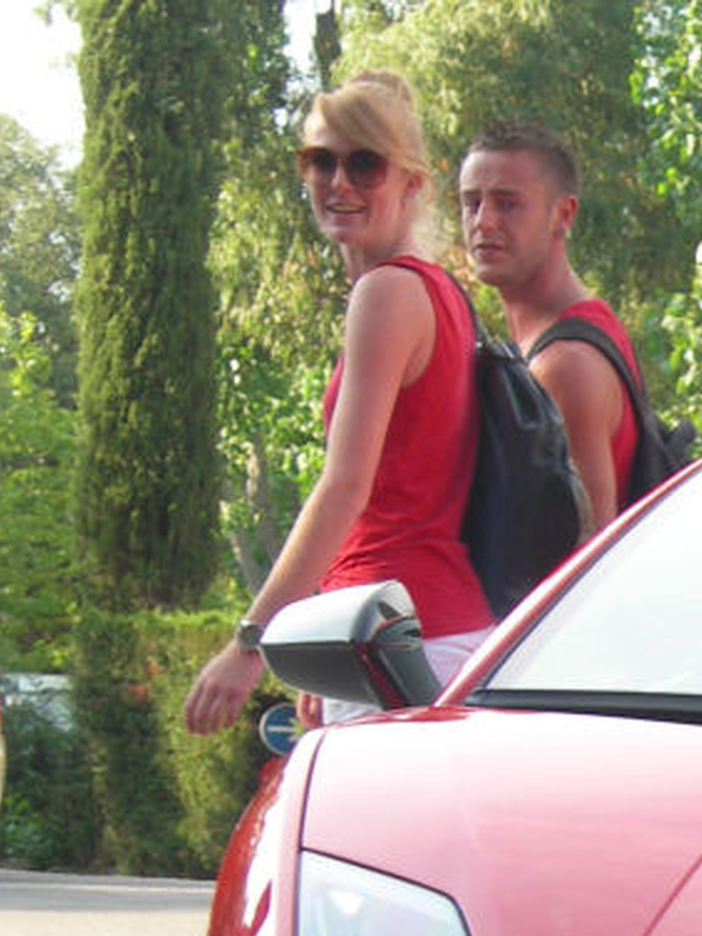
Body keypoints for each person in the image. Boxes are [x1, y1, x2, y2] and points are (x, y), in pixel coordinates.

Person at [184, 71, 493, 734]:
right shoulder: (436, 292)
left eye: (364, 163)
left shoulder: (386, 293)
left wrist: (250, 643)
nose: (339, 182)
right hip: (418, 638)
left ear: (411, 182)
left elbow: (345, 488)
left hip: (401, 642)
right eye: (319, 160)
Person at [457, 122, 642, 534]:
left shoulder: (566, 363)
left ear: (563, 214)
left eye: (507, 204)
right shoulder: (569, 338)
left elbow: (589, 558)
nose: (484, 222)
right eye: (472, 203)